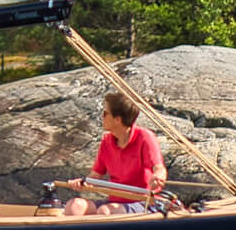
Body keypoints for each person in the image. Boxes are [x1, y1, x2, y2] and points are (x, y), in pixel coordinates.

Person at [58, 88, 166, 216]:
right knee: (74, 206)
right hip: (115, 202)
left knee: (105, 211)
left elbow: (159, 168)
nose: (102, 117)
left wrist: (158, 177)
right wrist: (81, 182)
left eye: (105, 113)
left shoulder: (145, 137)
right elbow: (95, 176)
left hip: (144, 202)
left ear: (117, 119)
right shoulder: (106, 141)